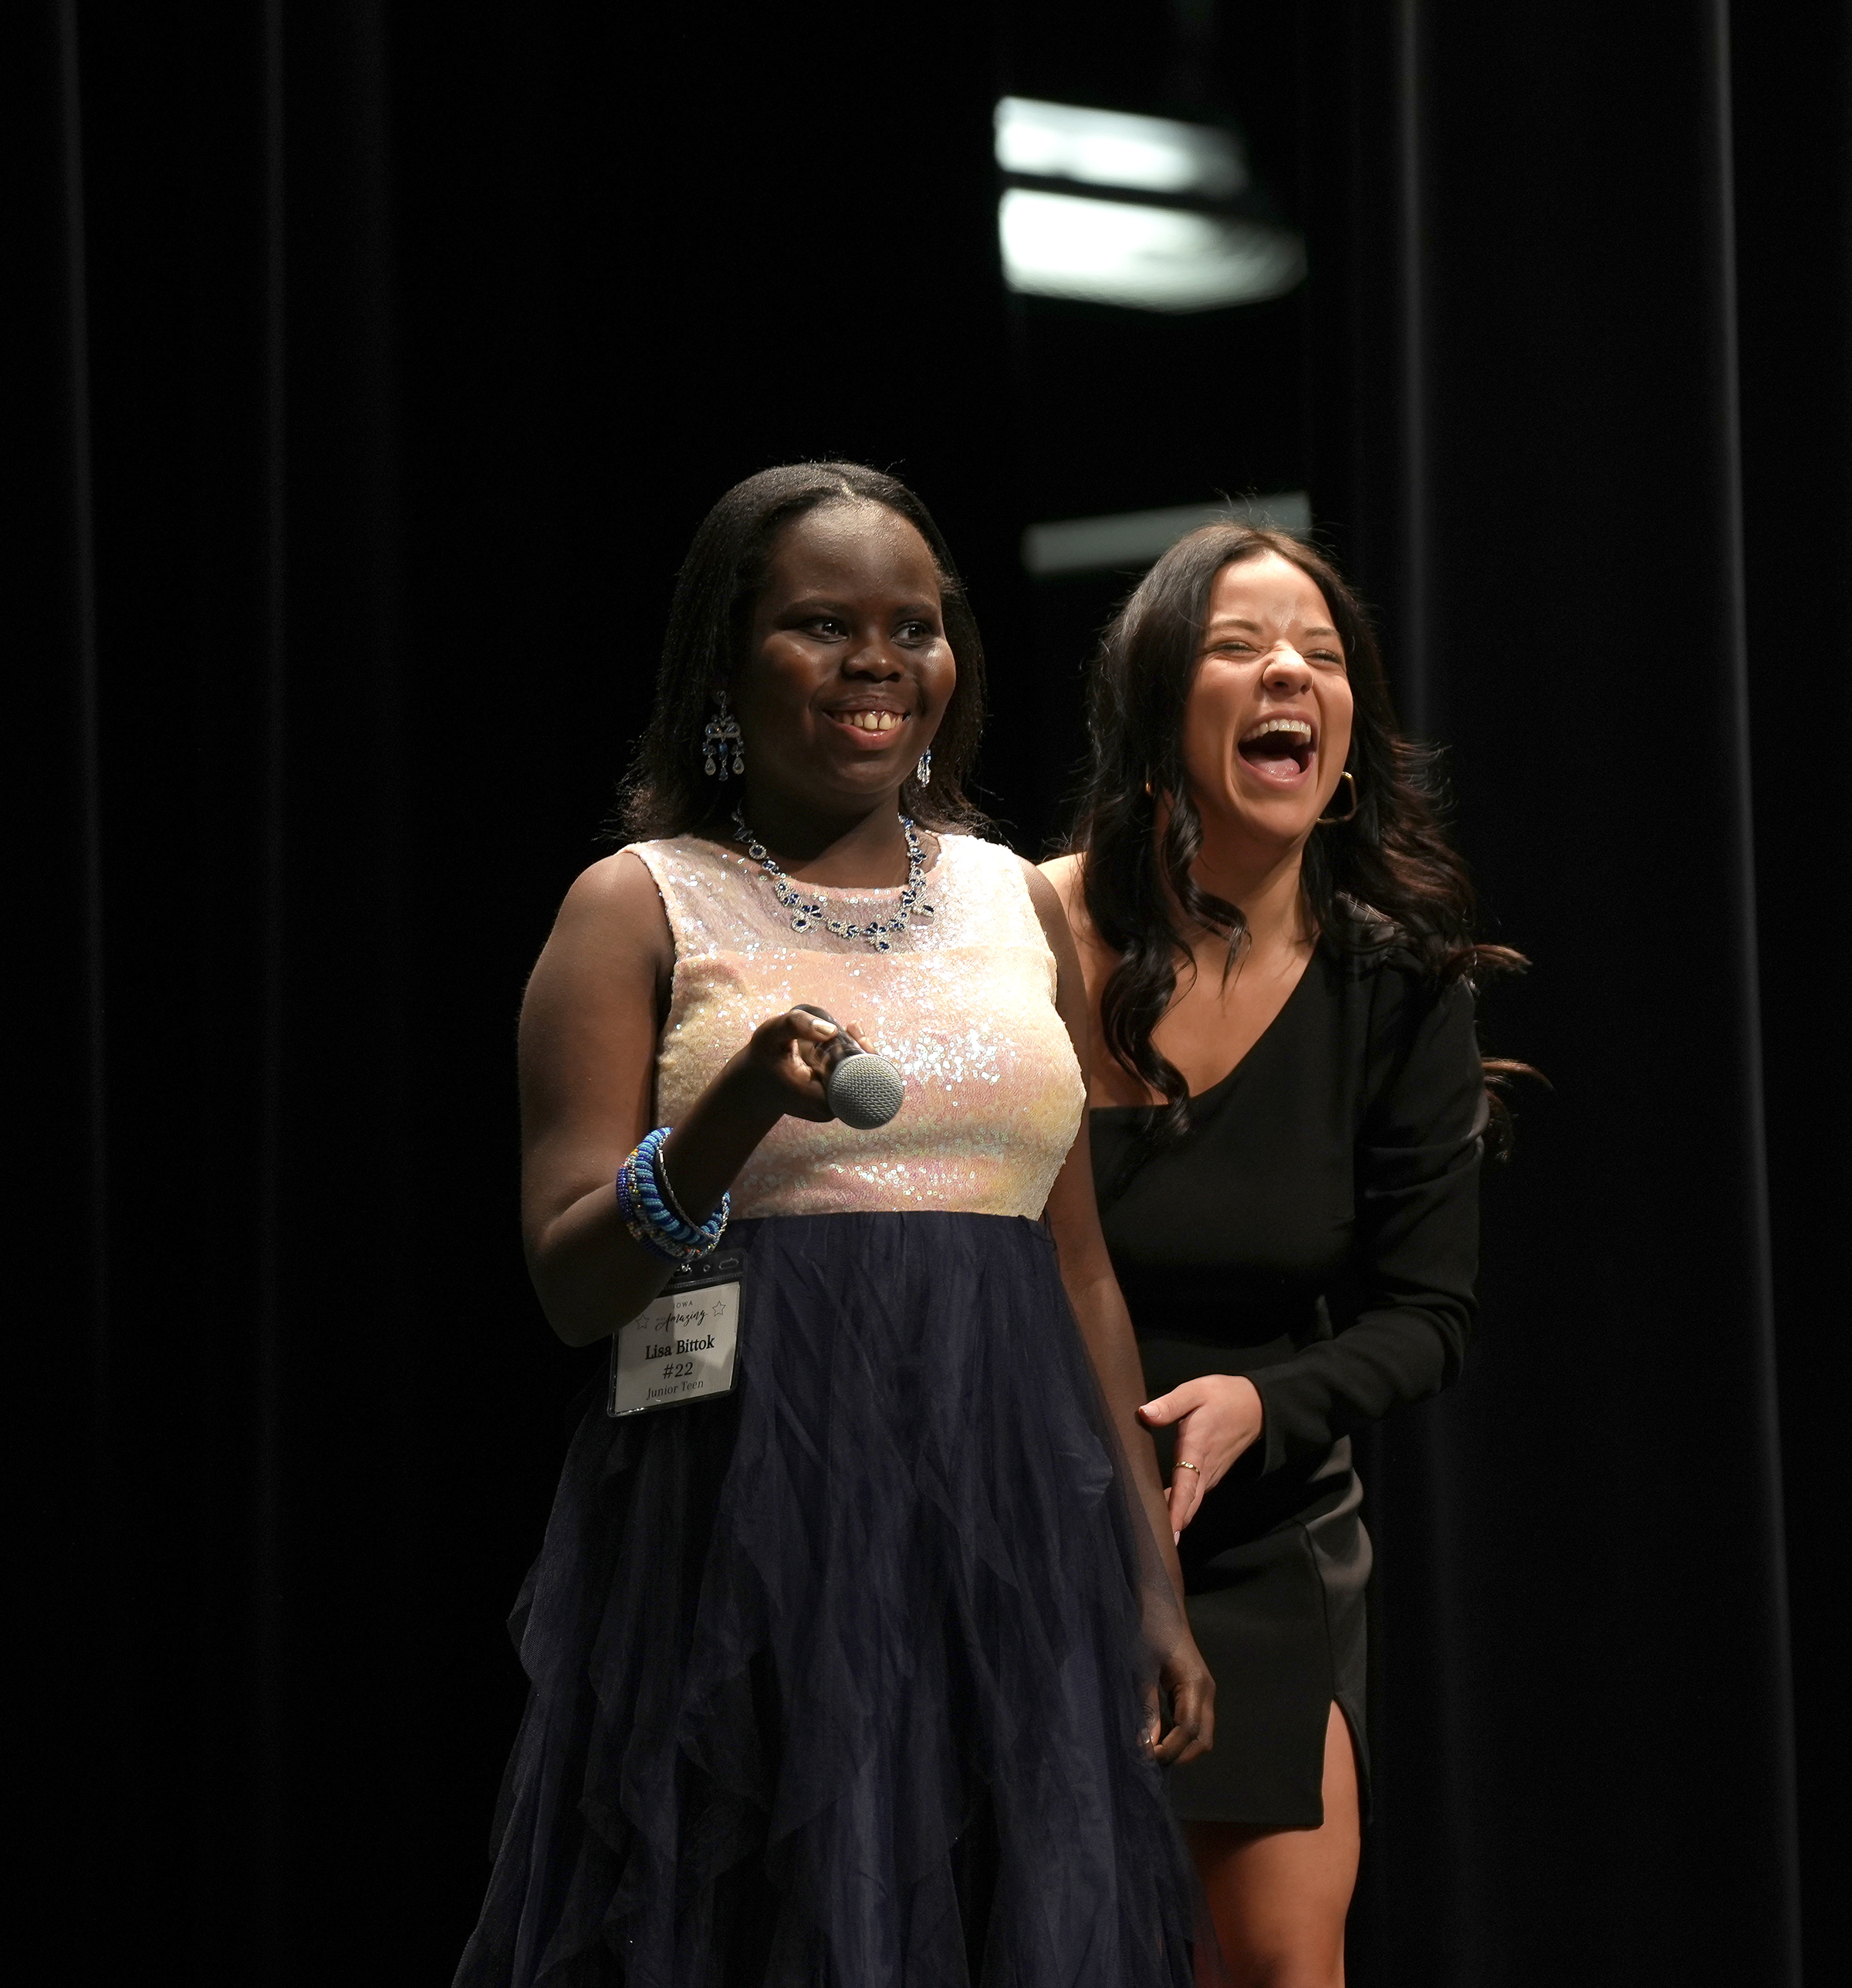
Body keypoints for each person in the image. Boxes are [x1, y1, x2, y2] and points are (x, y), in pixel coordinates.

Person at [459, 463, 1211, 1988]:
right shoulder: (637, 905)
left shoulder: (1020, 903)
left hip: (1001, 1528)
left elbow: (1074, 1264)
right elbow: (568, 1278)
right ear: (726, 669)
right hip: (741, 1534)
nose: (879, 661)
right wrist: (727, 1117)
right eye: (821, 624)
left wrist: (1149, 1579)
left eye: (914, 627)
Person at [1045, 524, 1514, 1988]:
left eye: (1319, 654)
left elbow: (1429, 1314)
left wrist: (1267, 1402)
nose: (1288, 674)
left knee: (1275, 1960)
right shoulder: (1025, 928)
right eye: (1241, 646)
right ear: (1156, 705)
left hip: (1252, 1540)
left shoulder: (1396, 983)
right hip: (1019, 1507)